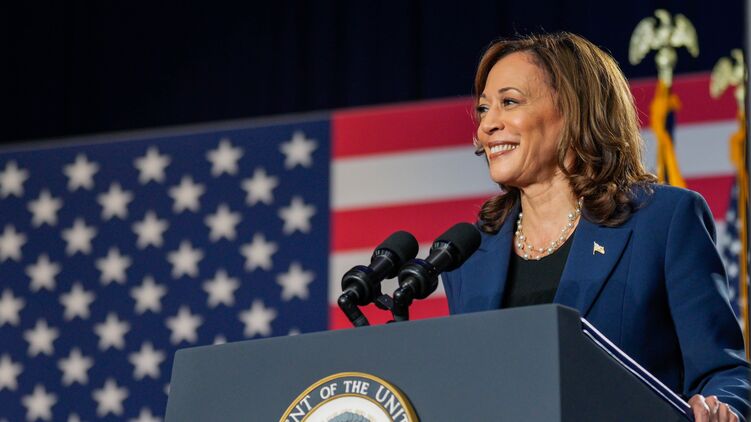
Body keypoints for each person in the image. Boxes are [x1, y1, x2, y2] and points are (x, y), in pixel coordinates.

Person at [441, 32, 750, 421]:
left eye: (509, 102)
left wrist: (722, 409)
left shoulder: (663, 222)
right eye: (484, 109)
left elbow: (724, 373)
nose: (487, 125)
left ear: (574, 109)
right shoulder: (469, 257)